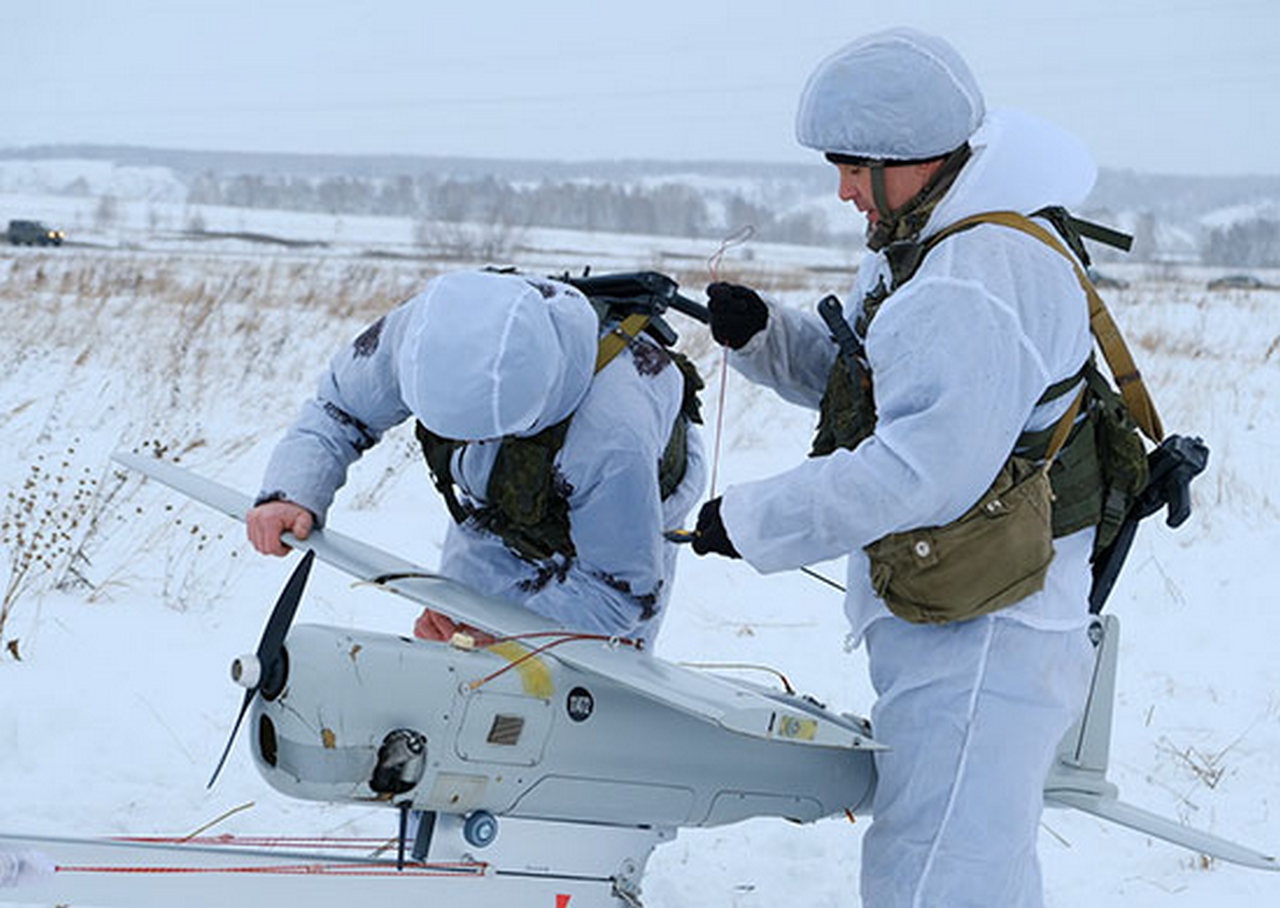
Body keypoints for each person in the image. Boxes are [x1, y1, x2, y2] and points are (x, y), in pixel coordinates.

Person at [689, 28, 1104, 907]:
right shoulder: (932, 242)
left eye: (851, 166)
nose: (841, 190)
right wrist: (766, 336)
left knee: (939, 875)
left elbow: (922, 470)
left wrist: (753, 519)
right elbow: (882, 386)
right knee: (967, 859)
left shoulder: (973, 277)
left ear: (910, 157)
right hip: (962, 612)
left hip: (988, 633)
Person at [247, 269, 705, 646]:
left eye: (489, 436)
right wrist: (293, 491)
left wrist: (510, 636)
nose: (473, 446)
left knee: (586, 679)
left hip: (635, 508)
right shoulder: (426, 332)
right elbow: (340, 407)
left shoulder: (614, 434)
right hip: (493, 509)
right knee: (456, 649)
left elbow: (619, 591)